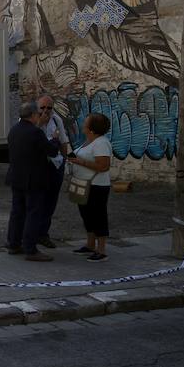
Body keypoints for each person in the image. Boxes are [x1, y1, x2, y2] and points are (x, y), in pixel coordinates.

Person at [5, 101, 60, 262]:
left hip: (16, 178)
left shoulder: (14, 130)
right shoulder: (35, 132)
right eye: (38, 113)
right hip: (33, 180)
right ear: (33, 115)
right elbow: (51, 150)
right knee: (33, 213)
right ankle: (31, 248)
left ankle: (14, 243)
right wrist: (55, 139)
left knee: (17, 212)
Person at [68, 112, 112, 262]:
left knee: (98, 216)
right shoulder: (88, 141)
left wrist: (80, 162)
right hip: (84, 184)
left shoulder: (101, 143)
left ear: (92, 128)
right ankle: (90, 244)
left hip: (97, 186)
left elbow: (103, 166)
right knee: (86, 215)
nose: (83, 123)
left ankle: (101, 250)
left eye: (86, 122)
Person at [36, 94, 71, 249]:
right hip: (38, 166)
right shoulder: (31, 120)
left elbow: (63, 141)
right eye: (42, 108)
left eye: (49, 108)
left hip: (55, 165)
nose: (46, 111)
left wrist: (66, 160)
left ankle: (43, 233)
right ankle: (32, 233)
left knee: (50, 202)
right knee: (36, 201)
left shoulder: (57, 120)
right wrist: (39, 123)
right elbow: (28, 138)